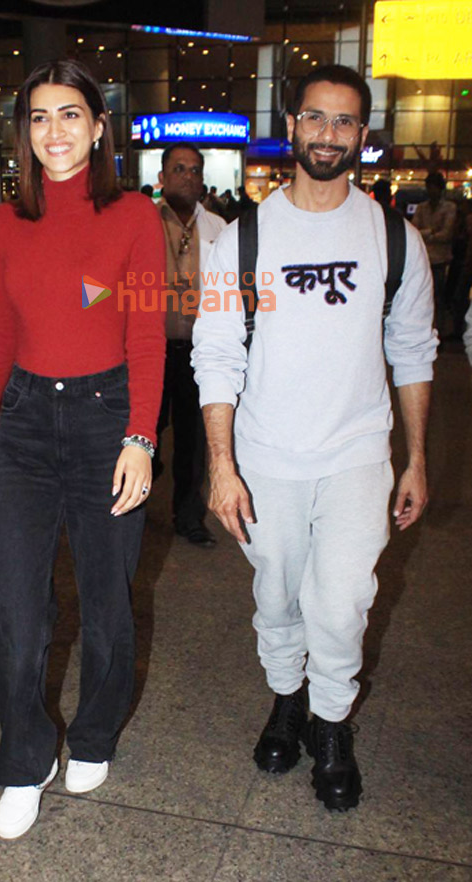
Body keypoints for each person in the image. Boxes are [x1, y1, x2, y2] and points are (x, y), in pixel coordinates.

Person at [192, 64, 437, 811]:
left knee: (338, 604)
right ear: (291, 126)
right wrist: (221, 466)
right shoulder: (244, 239)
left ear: (361, 137)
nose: (326, 134)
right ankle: (285, 700)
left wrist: (416, 458)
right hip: (265, 455)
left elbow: (412, 349)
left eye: (342, 122)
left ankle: (330, 725)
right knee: (275, 597)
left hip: (358, 453)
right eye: (314, 118)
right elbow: (217, 353)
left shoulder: (394, 239)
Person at [0, 59, 166, 840]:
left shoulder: (134, 216)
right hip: (21, 424)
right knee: (12, 608)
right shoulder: (6, 223)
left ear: (99, 124)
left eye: (70, 114)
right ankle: (23, 759)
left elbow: (145, 331)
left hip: (104, 417)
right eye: (40, 117)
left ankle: (92, 734)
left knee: (108, 607)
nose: (55, 131)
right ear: (25, 132)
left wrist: (140, 438)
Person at [155, 143, 225, 547]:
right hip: (151, 349)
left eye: (195, 170)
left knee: (193, 440)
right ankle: (137, 494)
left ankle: (188, 517)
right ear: (163, 177)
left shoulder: (219, 228)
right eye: (179, 169)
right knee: (146, 431)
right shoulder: (143, 220)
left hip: (199, 352)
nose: (188, 176)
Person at [412, 172, 456, 335]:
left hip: (440, 259)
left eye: (434, 187)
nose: (431, 190)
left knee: (438, 298)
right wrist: (433, 232)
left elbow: (447, 234)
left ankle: (439, 331)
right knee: (421, 298)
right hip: (424, 259)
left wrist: (426, 233)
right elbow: (414, 230)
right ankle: (424, 330)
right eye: (429, 187)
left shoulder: (449, 207)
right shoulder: (422, 207)